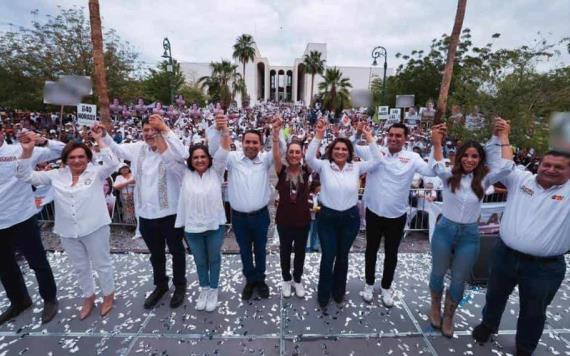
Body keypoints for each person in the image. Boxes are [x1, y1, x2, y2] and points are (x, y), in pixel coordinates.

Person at [471, 150, 570, 356]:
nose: (550, 169)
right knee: (495, 295)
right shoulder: (520, 179)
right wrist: (502, 136)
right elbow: (497, 162)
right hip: (504, 255)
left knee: (533, 311)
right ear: (539, 164)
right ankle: (489, 325)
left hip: (544, 267)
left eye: (558, 167)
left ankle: (525, 347)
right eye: (547, 164)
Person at [16, 125, 118, 320]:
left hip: (95, 227)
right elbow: (25, 176)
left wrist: (100, 140)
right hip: (68, 231)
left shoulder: (96, 173)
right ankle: (88, 297)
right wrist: (27, 152)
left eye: (81, 157)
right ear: (65, 160)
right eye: (72, 157)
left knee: (102, 264)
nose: (77, 161)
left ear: (88, 158)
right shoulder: (56, 175)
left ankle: (108, 295)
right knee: (81, 267)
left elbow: (112, 163)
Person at [428, 120, 514, 337]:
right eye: (466, 155)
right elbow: (436, 164)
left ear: (480, 159)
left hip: (469, 234)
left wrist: (503, 136)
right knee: (438, 273)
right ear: (459, 156)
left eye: (475, 156)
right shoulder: (449, 175)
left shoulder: (484, 178)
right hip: (445, 230)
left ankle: (449, 315)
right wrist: (437, 142)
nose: (469, 160)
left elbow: (507, 166)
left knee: (459, 278)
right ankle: (435, 307)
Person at [100, 115, 189, 309]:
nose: (149, 134)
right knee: (156, 254)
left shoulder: (171, 148)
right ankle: (161, 285)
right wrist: (104, 135)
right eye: (146, 130)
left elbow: (183, 153)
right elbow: (117, 149)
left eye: (153, 130)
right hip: (146, 214)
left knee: (176, 251)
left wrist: (165, 129)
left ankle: (180, 285)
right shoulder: (138, 148)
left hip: (170, 212)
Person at [354, 123, 436, 307]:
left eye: (398, 136)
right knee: (371, 251)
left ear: (405, 138)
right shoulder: (375, 151)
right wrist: (358, 132)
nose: (393, 138)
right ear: (386, 136)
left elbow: (431, 171)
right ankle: (368, 284)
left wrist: (435, 145)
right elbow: (351, 146)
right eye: (391, 135)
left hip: (397, 216)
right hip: (374, 213)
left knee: (391, 254)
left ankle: (385, 287)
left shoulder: (412, 157)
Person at [306, 119, 381, 308]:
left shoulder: (356, 167)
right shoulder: (323, 166)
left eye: (344, 149)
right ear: (331, 151)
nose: (340, 152)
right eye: (337, 149)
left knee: (342, 256)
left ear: (349, 153)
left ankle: (338, 291)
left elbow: (378, 160)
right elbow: (308, 159)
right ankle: (323, 292)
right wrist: (318, 136)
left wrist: (369, 138)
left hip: (350, 218)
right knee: (328, 255)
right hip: (327, 218)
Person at [207, 119, 283, 301]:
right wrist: (222, 131)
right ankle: (250, 280)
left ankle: (261, 280)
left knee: (260, 250)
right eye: (247, 142)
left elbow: (281, 152)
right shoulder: (232, 158)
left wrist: (276, 135)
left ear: (260, 144)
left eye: (254, 142)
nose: (251, 145)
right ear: (241, 143)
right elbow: (215, 154)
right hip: (239, 217)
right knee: (245, 251)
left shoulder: (265, 160)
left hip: (261, 216)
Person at [0, 129, 63, 325]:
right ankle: (19, 301)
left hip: (22, 217)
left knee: (37, 262)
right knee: (5, 267)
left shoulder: (21, 149)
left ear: (2, 132)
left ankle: (49, 299)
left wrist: (43, 140)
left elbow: (62, 151)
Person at [173, 114, 231, 312]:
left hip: (215, 227)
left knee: (214, 259)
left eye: (203, 157)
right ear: (191, 159)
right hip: (192, 228)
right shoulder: (184, 174)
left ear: (209, 159)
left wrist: (223, 129)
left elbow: (224, 149)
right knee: (200, 261)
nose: (199, 160)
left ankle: (213, 290)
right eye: (196, 157)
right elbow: (166, 156)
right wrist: (162, 131)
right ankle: (204, 289)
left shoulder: (216, 171)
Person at [271, 118, 311, 298]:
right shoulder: (281, 171)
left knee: (301, 252)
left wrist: (317, 135)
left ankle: (297, 279)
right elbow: (276, 156)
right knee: (285, 251)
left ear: (301, 154)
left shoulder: (307, 170)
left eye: (297, 152)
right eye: (291, 152)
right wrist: (275, 134)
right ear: (288, 154)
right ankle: (286, 279)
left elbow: (314, 153)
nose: (294, 155)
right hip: (284, 220)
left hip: (303, 220)